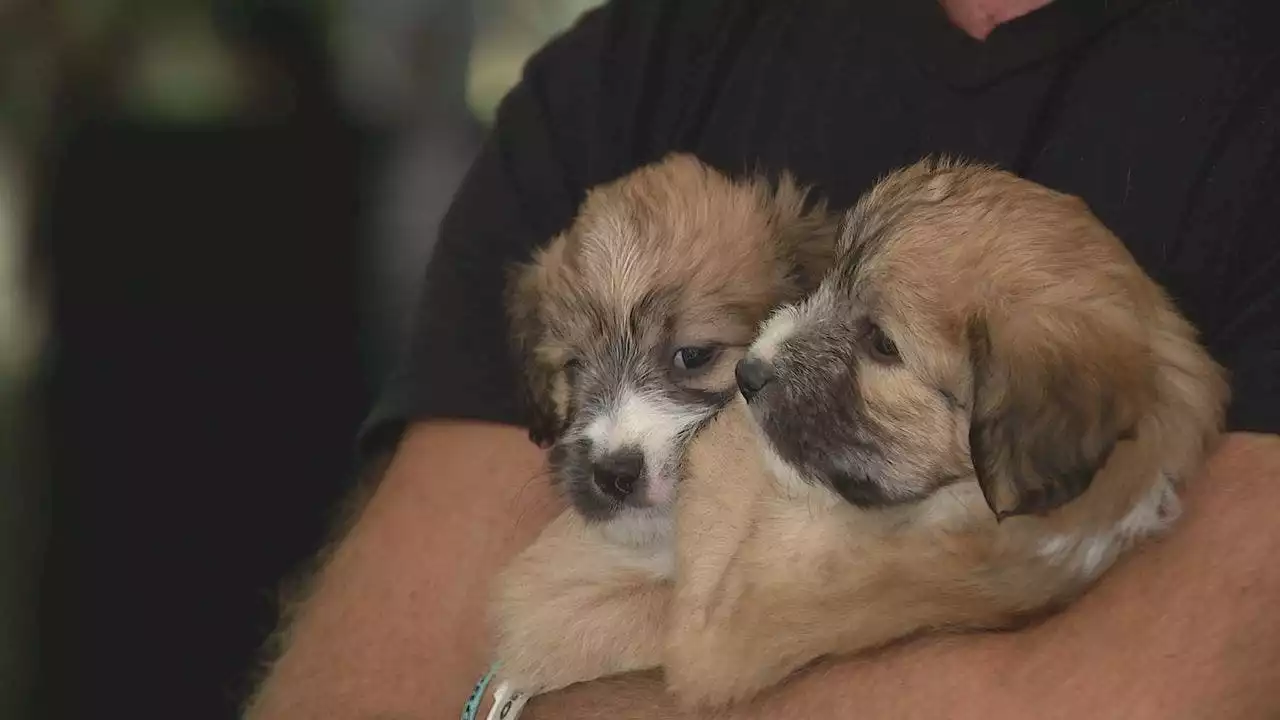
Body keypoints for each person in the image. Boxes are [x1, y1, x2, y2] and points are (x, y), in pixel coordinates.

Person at [244, 0, 1280, 717]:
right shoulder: (637, 67)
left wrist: (511, 710)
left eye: (694, 357)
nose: (761, 372)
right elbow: (373, 683)